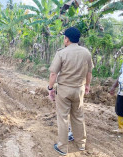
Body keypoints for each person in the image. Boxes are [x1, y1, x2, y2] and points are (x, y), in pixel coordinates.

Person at [48, 27, 93, 156]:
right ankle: (81, 144)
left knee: (62, 117)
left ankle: (62, 147)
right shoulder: (86, 53)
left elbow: (53, 74)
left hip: (64, 90)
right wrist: (87, 85)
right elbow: (89, 72)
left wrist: (50, 88)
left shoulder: (62, 53)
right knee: (78, 116)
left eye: (64, 37)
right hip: (79, 89)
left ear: (66, 39)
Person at [109, 63, 123, 133]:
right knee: (120, 109)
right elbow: (120, 76)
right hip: (121, 92)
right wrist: (114, 86)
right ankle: (121, 128)